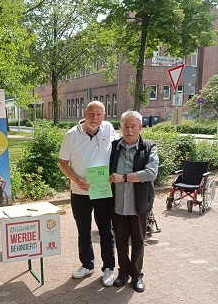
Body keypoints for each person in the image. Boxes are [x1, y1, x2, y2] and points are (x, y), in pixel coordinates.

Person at [59, 100, 116, 286]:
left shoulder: (108, 128)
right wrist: (76, 180)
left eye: (99, 114)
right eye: (91, 114)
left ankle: (108, 268)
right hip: (79, 191)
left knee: (106, 231)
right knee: (83, 232)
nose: (94, 118)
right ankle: (87, 264)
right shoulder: (71, 135)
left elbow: (116, 152)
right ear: (85, 113)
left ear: (104, 116)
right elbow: (62, 163)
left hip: (102, 189)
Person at [109, 110, 159, 293]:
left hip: (138, 204)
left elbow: (151, 173)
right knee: (120, 241)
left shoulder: (149, 147)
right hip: (118, 204)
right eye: (126, 126)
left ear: (140, 127)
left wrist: (125, 177)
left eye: (133, 126)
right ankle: (123, 273)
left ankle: (137, 275)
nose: (129, 130)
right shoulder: (114, 147)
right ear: (121, 127)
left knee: (138, 240)